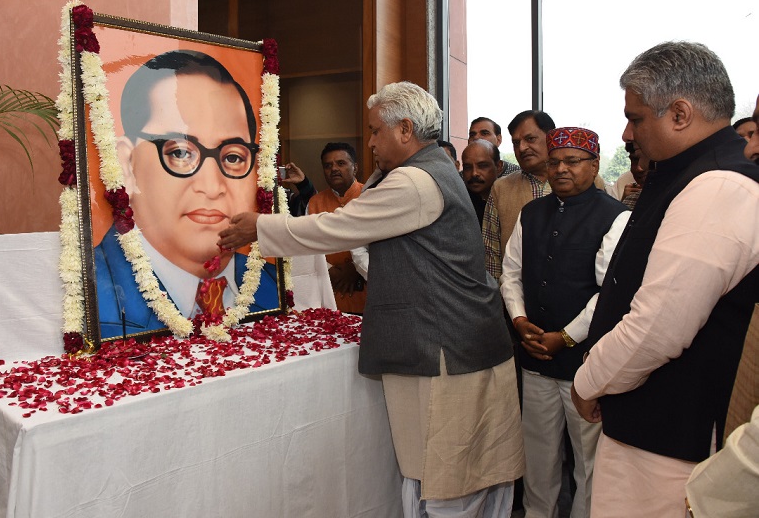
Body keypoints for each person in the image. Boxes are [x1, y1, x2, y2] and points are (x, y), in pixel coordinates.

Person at [220, 81, 524, 517]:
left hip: (447, 348)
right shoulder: (423, 169)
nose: (372, 142)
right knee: (440, 472)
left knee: (450, 479)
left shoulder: (417, 181)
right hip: (450, 341)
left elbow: (338, 227)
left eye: (376, 131)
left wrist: (260, 228)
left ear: (405, 130)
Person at [570, 41, 759, 517]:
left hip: (670, 441)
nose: (627, 132)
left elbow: (659, 326)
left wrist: (589, 380)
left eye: (636, 118)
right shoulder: (688, 173)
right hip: (647, 425)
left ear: (679, 113)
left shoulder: (718, 185)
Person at [94, 50, 279, 338]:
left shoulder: (271, 289)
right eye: (180, 152)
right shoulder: (92, 297)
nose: (211, 185)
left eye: (232, 157)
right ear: (125, 166)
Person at [500, 127, 629, 518]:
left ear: (594, 165)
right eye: (554, 162)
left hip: (586, 365)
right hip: (536, 359)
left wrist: (566, 337)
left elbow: (610, 293)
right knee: (538, 459)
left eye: (572, 161)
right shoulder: (532, 212)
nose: (560, 169)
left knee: (590, 463)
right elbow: (511, 272)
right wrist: (519, 319)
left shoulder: (616, 216)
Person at [482, 110, 556, 279]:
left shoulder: (584, 182)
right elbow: (491, 254)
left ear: (551, 138)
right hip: (514, 295)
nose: (522, 148)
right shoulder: (501, 188)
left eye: (530, 139)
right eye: (516, 143)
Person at [307, 142, 366, 314]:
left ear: (355, 167)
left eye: (341, 163)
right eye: (328, 165)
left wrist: (357, 269)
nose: (334, 169)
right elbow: (307, 246)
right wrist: (330, 271)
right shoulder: (314, 203)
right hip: (328, 290)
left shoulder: (371, 195)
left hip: (366, 294)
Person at [461, 139, 503, 226]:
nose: (474, 173)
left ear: (498, 167)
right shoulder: (458, 203)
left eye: (482, 166)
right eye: (468, 167)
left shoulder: (509, 200)